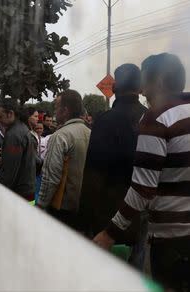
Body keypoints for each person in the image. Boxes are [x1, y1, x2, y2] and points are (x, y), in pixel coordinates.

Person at [93, 53, 190, 291]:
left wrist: (109, 234)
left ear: (158, 82)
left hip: (171, 244)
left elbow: (142, 189)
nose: (143, 93)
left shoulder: (156, 119)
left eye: (145, 85)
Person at [79, 64, 148, 270]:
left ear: (116, 86)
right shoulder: (150, 118)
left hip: (108, 220)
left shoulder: (107, 121)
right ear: (140, 87)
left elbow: (93, 178)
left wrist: (82, 223)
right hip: (143, 215)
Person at [37, 90, 90, 230]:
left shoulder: (60, 136)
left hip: (62, 210)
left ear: (65, 110)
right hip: (85, 209)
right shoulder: (91, 133)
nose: (54, 111)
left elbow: (51, 177)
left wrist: (40, 205)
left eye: (56, 107)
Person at [0, 99, 37, 201]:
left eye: (0, 116)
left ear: (10, 114)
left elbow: (9, 172)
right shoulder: (23, 128)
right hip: (29, 190)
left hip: (18, 194)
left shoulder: (13, 135)